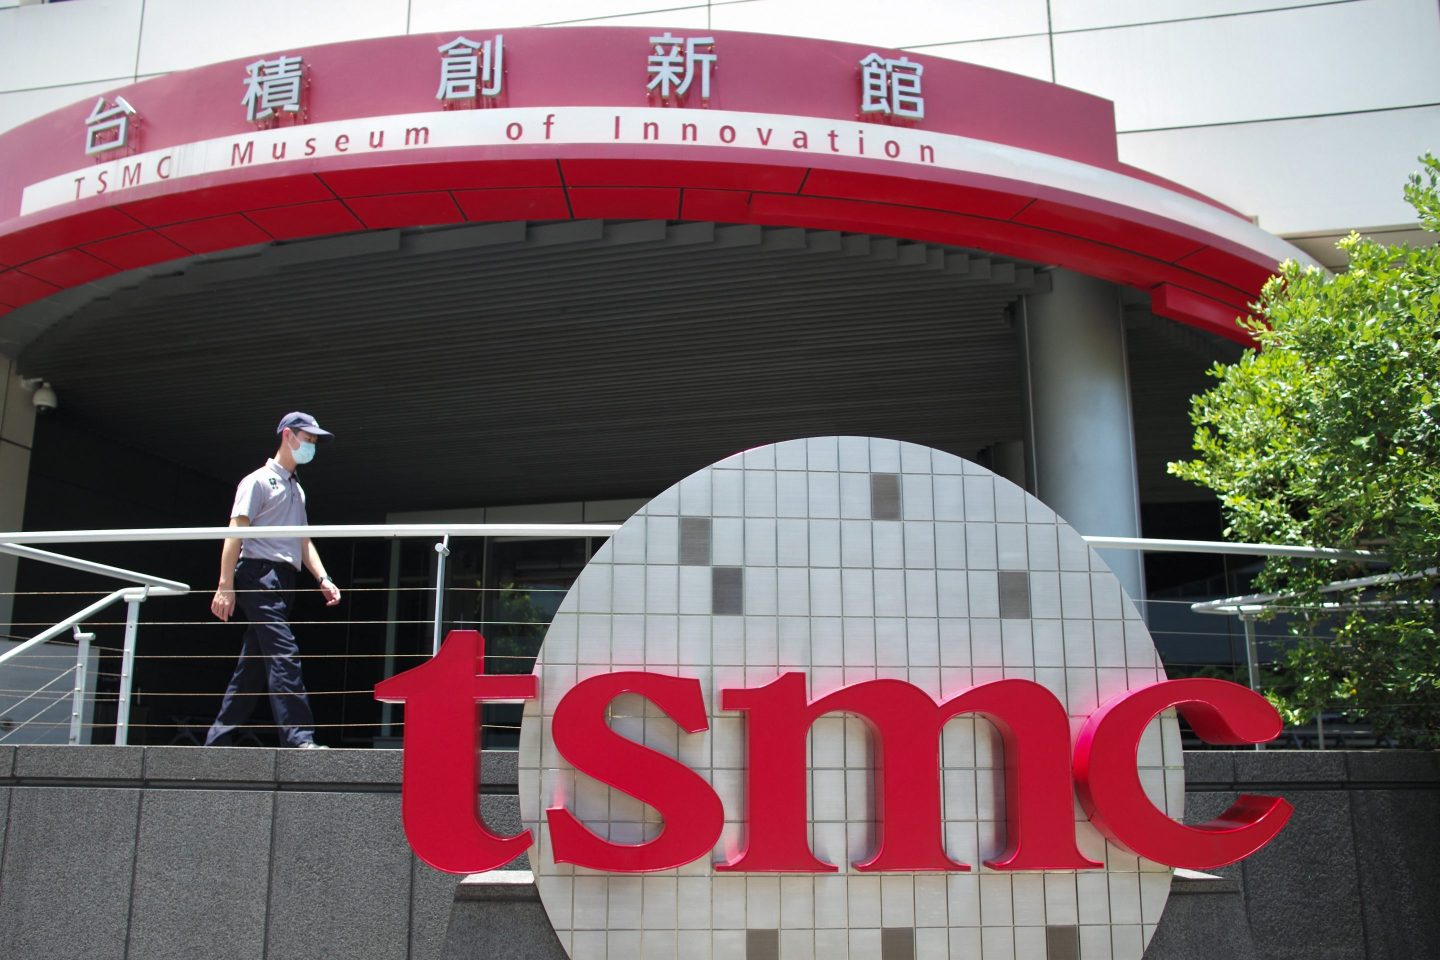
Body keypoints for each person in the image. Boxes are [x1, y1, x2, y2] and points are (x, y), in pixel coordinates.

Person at [206, 411, 341, 748]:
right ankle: (299, 738)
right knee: (284, 653)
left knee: (252, 666)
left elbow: (302, 540)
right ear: (287, 435)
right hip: (258, 575)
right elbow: (235, 533)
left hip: (283, 579)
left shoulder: (297, 489)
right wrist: (225, 586)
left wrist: (323, 578)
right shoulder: (258, 481)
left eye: (314, 441)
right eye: (307, 439)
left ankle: (217, 742)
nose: (311, 446)